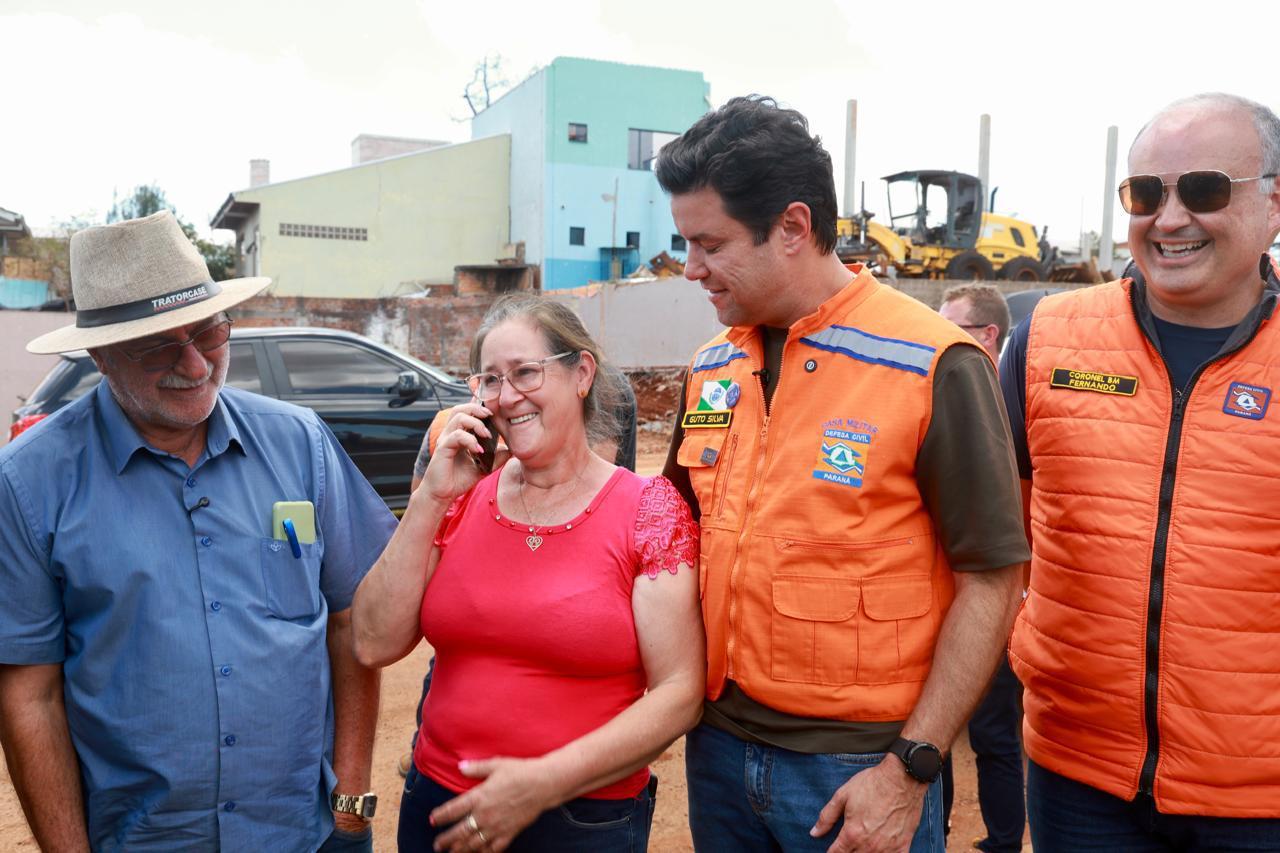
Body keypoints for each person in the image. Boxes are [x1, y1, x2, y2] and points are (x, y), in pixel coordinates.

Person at [656, 95, 1029, 853]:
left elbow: (993, 578)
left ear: (792, 226)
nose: (689, 267)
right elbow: (671, 530)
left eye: (709, 243)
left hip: (859, 766)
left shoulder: (934, 362)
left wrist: (912, 766)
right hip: (718, 750)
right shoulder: (713, 365)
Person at [0, 211, 395, 852]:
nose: (194, 363)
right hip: (144, 839)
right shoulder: (29, 483)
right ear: (99, 356)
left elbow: (353, 621)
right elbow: (30, 694)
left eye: (208, 331)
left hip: (303, 833)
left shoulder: (301, 446)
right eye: (158, 344)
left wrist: (350, 801)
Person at [1000, 93, 1280, 850]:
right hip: (1077, 777)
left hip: (1260, 794)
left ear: (1275, 202)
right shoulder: (1046, 343)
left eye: (1206, 189)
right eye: (1146, 193)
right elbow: (999, 539)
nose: (1171, 217)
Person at [351, 293, 704, 852]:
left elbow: (680, 691)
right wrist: (430, 499)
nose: (506, 396)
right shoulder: (460, 497)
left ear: (581, 373)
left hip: (582, 817)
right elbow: (372, 643)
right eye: (490, 380)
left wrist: (541, 784)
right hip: (440, 804)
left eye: (525, 373)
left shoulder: (647, 509)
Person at [937, 283, 1026, 853]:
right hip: (942, 597)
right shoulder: (942, 389)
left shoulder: (1011, 398)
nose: (937, 336)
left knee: (995, 735)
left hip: (1000, 599)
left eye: (953, 325)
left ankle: (1002, 841)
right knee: (934, 735)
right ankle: (934, 830)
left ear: (988, 334)